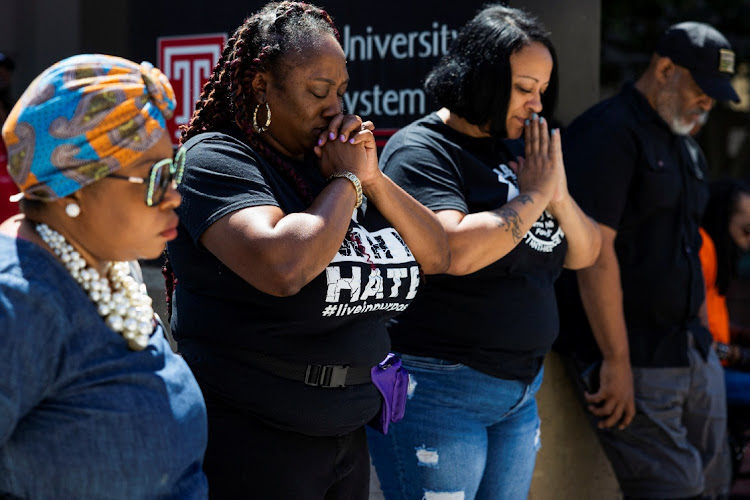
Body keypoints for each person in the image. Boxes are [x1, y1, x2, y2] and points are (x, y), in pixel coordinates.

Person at [164, 2, 450, 498]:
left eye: (340, 91)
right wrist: (344, 180)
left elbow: (438, 254)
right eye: (318, 92)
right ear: (261, 88)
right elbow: (284, 264)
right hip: (256, 439)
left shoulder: (341, 170)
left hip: (346, 438)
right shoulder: (215, 157)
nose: (335, 107)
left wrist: (371, 178)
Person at [365, 5, 602, 499]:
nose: (536, 105)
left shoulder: (519, 149)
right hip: (439, 390)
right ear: (482, 78)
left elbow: (585, 251)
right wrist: (534, 196)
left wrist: (554, 194)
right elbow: (452, 250)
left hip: (519, 395)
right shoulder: (423, 150)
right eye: (523, 88)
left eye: (542, 90)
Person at [0, 54, 208, 497]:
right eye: (153, 178)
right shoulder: (16, 300)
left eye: (174, 171)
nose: (174, 196)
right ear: (71, 186)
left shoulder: (110, 265)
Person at [554, 21, 739, 498]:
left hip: (692, 352)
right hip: (634, 356)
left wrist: (703, 341)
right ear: (664, 69)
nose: (708, 103)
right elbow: (593, 253)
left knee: (714, 485)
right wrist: (615, 360)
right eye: (701, 88)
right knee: (674, 489)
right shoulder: (608, 132)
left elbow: (690, 248)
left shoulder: (687, 147)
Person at [700, 178, 750, 406]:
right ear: (721, 220)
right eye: (746, 231)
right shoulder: (703, 249)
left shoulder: (719, 260)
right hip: (703, 374)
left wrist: (737, 336)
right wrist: (736, 353)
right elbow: (696, 337)